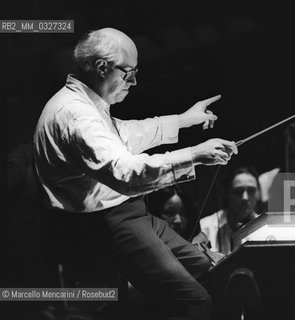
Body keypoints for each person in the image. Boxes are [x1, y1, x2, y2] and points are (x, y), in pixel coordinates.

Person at [33, 27, 238, 320]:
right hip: (106, 226)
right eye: (129, 72)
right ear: (103, 67)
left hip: (130, 215)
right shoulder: (75, 115)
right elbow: (126, 174)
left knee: (215, 272)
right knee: (196, 304)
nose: (135, 80)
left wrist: (184, 120)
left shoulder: (85, 104)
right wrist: (195, 155)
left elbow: (126, 134)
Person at [200, 166, 261, 255]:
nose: (245, 198)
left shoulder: (265, 229)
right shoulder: (205, 226)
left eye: (251, 191)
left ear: (259, 193)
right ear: (226, 193)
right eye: (238, 191)